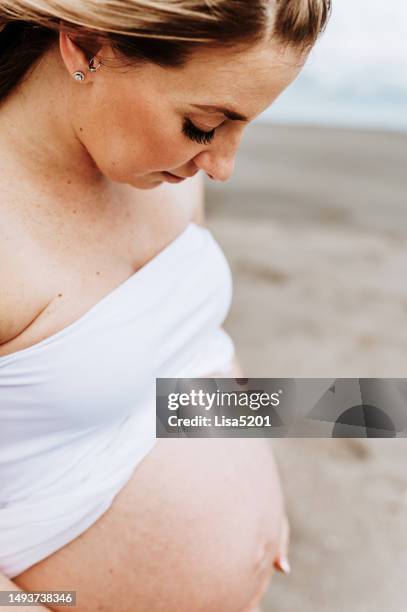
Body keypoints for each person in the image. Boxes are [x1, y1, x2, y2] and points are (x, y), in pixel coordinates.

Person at [0, 1, 330, 610]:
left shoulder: (167, 174)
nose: (222, 166)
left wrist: (253, 502)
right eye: (204, 125)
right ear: (86, 47)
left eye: (243, 126)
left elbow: (185, 357)